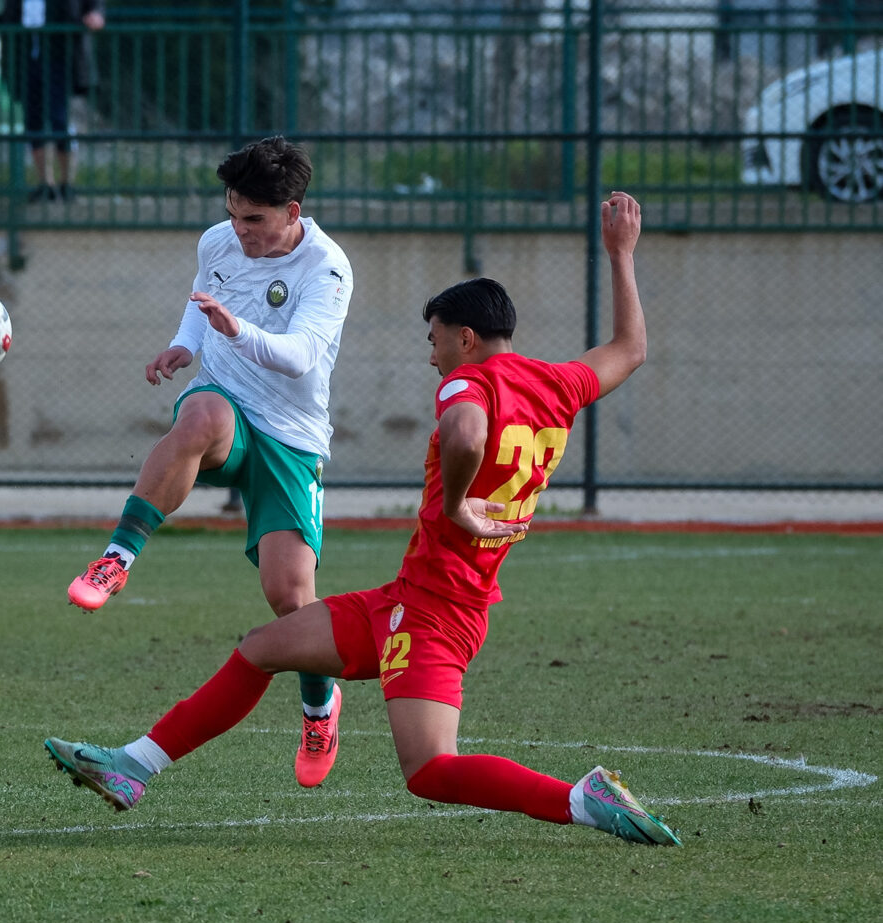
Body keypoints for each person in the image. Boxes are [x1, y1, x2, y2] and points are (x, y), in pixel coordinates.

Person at [45, 192, 683, 848]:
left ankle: (580, 799)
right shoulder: (557, 384)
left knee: (430, 769)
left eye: (435, 341)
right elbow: (630, 349)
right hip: (410, 599)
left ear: (465, 339)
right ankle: (132, 766)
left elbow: (466, 433)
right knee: (261, 648)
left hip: (434, 614)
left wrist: (458, 504)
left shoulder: (468, 382)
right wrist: (621, 255)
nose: (431, 357)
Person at [64, 135, 355, 790]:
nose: (239, 229)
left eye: (254, 218)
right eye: (232, 213)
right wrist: (184, 345)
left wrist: (235, 330)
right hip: (224, 402)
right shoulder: (218, 242)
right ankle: (116, 558)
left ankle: (320, 707)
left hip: (291, 436)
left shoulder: (328, 268)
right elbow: (203, 299)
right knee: (197, 417)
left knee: (291, 600)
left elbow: (301, 357)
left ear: (292, 212)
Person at [0, 0, 105, 202]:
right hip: (26, 57)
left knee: (59, 119)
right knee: (33, 120)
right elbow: (11, 17)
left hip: (60, 55)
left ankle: (67, 183)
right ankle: (45, 183)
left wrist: (96, 15)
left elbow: (93, 6)